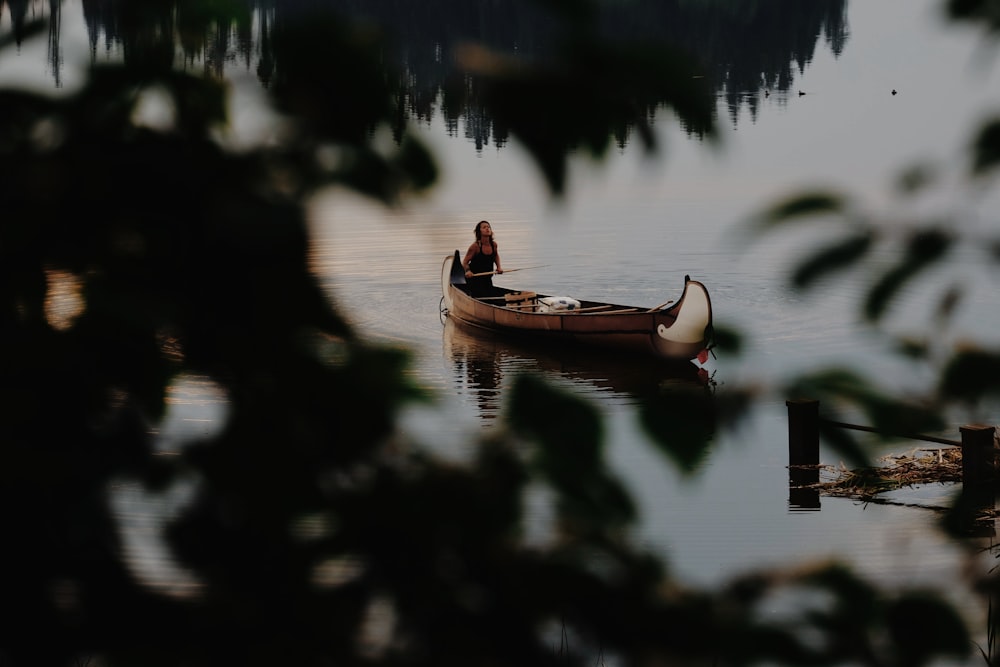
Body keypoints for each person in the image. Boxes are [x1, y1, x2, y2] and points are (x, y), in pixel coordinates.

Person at [462, 220, 504, 297]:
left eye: (488, 227)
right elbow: (465, 262)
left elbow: (495, 256)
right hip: (474, 280)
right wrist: (468, 271)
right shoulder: (475, 247)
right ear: (479, 232)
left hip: (487, 279)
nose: (487, 229)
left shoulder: (494, 245)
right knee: (481, 295)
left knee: (490, 294)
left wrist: (499, 267)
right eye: (484, 227)